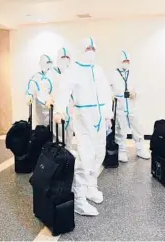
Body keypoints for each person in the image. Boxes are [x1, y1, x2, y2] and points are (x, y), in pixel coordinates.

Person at [53, 37, 113, 216]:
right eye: (88, 47)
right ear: (81, 49)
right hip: (83, 118)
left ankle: (91, 187)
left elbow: (105, 92)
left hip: (100, 118)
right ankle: (79, 200)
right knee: (84, 158)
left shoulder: (98, 69)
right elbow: (63, 89)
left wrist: (108, 114)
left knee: (99, 153)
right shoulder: (74, 70)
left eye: (93, 47)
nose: (91, 50)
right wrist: (59, 110)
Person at [110, 50, 150, 162]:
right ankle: (121, 151)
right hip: (120, 107)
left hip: (132, 105)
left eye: (128, 61)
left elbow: (141, 86)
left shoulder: (133, 73)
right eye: (124, 61)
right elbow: (107, 89)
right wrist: (112, 95)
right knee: (120, 130)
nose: (126, 62)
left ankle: (140, 149)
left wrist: (136, 92)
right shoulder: (113, 74)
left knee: (138, 128)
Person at [26, 54, 59, 126]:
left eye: (50, 63)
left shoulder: (55, 75)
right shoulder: (36, 77)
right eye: (47, 63)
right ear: (41, 64)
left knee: (54, 127)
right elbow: (30, 89)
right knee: (42, 127)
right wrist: (29, 97)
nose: (49, 65)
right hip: (41, 108)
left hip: (53, 107)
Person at [54, 47, 75, 152]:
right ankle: (58, 156)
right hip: (57, 109)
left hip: (70, 108)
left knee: (70, 132)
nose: (65, 59)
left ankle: (68, 153)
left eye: (67, 57)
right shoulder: (52, 73)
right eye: (63, 57)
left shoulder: (72, 73)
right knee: (58, 134)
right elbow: (45, 91)